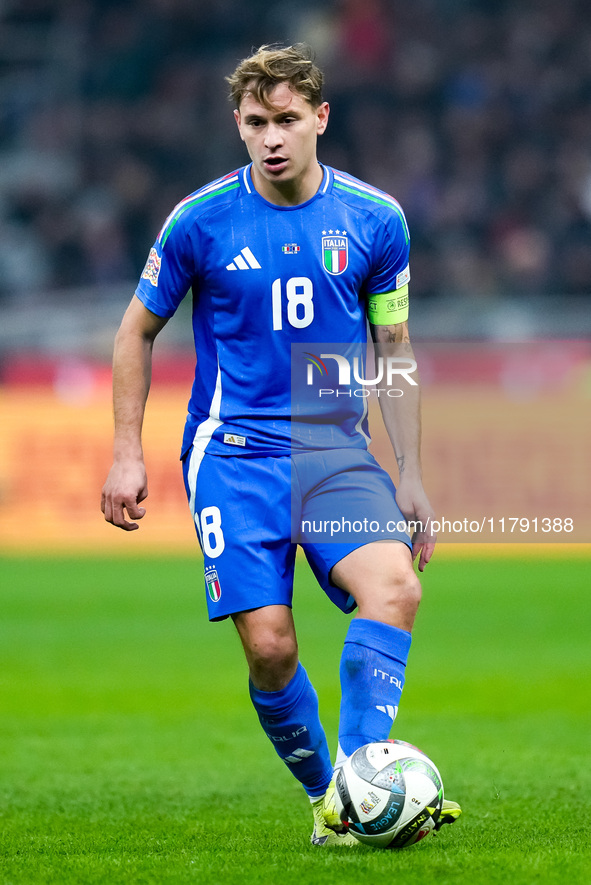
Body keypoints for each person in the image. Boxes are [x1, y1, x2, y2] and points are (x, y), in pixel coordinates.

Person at [101, 43, 461, 847]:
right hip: (232, 452)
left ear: (319, 118)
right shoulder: (200, 219)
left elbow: (392, 345)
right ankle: (327, 798)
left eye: (288, 120)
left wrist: (410, 475)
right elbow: (135, 332)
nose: (271, 137)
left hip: (334, 450)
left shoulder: (375, 219)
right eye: (256, 122)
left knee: (395, 586)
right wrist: (127, 450)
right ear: (238, 124)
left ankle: (363, 777)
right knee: (270, 647)